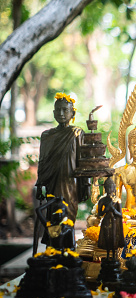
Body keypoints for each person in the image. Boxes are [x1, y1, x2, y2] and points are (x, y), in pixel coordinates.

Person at [35, 93, 89, 223]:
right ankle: (53, 243)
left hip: (69, 183)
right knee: (53, 217)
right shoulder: (47, 135)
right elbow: (42, 161)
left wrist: (86, 185)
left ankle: (67, 242)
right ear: (53, 113)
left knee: (67, 219)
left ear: (72, 114)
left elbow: (83, 162)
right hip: (51, 183)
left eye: (65, 110)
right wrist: (39, 185)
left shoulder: (76, 133)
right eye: (58, 110)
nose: (61, 113)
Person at [97, 177, 125, 259]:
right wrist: (105, 210)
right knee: (107, 237)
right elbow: (99, 214)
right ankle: (107, 254)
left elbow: (120, 214)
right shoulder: (102, 200)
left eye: (110, 187)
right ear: (105, 188)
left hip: (114, 221)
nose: (109, 189)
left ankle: (114, 255)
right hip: (106, 220)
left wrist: (114, 210)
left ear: (113, 188)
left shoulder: (117, 200)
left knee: (113, 238)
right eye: (107, 187)